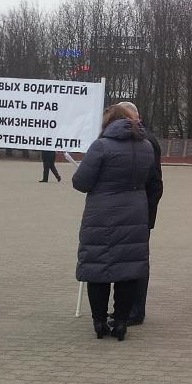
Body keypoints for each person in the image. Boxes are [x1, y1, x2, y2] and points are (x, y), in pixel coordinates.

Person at [72, 105, 154, 341]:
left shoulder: (101, 146)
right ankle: (120, 322)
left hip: (102, 214)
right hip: (135, 213)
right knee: (127, 270)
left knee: (98, 268)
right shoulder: (146, 146)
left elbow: (81, 182)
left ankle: (99, 322)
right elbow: (149, 179)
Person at [116, 101, 163, 327]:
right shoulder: (132, 140)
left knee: (137, 261)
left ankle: (135, 310)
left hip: (139, 212)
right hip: (129, 211)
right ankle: (126, 308)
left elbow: (155, 183)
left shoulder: (147, 141)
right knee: (127, 259)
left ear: (137, 117)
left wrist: (145, 212)